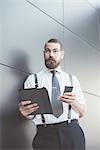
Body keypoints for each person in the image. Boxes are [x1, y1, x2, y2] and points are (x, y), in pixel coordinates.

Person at [18, 38, 86, 150]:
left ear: (62, 54)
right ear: (43, 53)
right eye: (47, 51)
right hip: (45, 135)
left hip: (72, 133)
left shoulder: (72, 79)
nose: (51, 55)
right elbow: (30, 115)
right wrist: (25, 113)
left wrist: (73, 102)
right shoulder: (32, 80)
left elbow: (82, 112)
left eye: (55, 51)